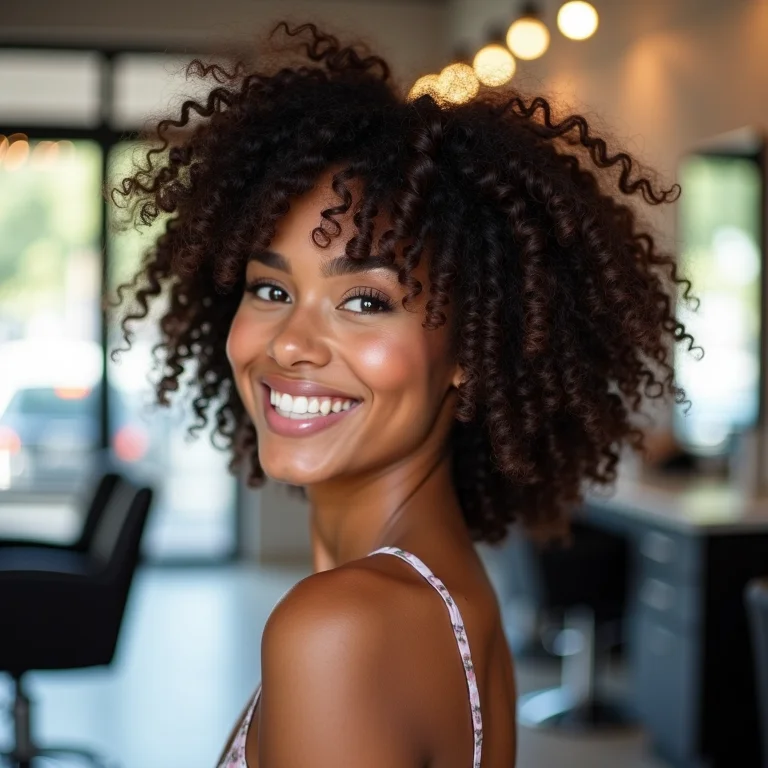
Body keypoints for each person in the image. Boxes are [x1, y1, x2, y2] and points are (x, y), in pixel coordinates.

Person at [111, 21, 695, 768]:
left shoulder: (342, 626)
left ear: (471, 350)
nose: (289, 342)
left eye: (365, 302)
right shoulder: (445, 595)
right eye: (269, 288)